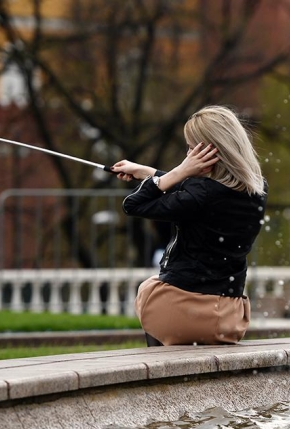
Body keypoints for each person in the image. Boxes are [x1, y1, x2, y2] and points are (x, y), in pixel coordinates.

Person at [111, 106, 267, 346]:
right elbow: (195, 196)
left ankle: (160, 374)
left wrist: (179, 171)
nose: (187, 154)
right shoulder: (257, 190)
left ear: (208, 151)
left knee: (150, 289)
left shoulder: (200, 194)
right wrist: (147, 172)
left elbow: (132, 204)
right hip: (229, 316)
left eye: (190, 147)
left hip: (184, 313)